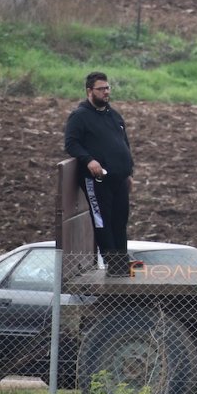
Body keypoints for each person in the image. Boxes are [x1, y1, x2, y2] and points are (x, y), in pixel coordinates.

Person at [64, 71, 135, 277]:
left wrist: (129, 172)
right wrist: (89, 160)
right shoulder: (80, 116)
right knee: (103, 220)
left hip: (119, 178)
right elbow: (71, 144)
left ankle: (122, 261)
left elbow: (124, 144)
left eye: (107, 88)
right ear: (89, 91)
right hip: (97, 179)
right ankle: (113, 263)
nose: (106, 92)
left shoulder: (114, 115)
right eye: (101, 89)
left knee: (120, 220)